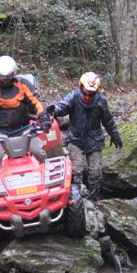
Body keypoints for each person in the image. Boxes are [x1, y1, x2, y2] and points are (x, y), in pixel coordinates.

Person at [52, 72, 122, 200]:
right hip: (75, 139)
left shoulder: (101, 101)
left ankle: (93, 198)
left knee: (95, 172)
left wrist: (115, 136)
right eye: (86, 90)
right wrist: (52, 110)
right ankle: (76, 197)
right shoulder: (73, 96)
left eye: (92, 92)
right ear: (81, 86)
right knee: (76, 171)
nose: (88, 94)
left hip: (94, 141)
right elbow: (62, 106)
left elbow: (108, 121)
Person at [0, 55, 51, 168]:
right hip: (1, 133)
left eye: (8, 76)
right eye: (2, 76)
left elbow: (37, 101)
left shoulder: (23, 84)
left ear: (14, 73)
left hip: (25, 129)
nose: (5, 79)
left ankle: (46, 180)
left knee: (38, 152)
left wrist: (44, 117)